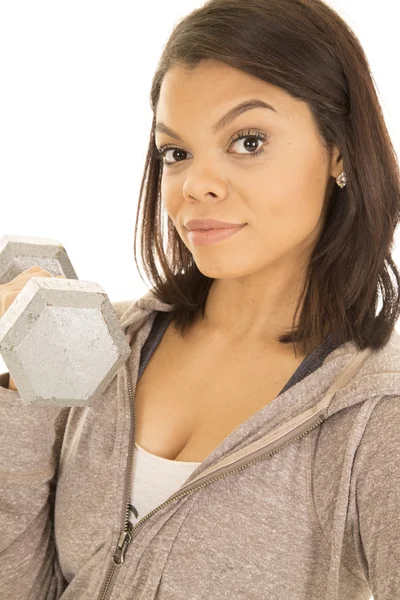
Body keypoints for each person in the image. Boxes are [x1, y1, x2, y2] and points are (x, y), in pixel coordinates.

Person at [1, 0, 400, 598]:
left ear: (339, 151)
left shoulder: (375, 412)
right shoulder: (104, 344)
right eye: (175, 152)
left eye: (247, 141)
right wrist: (19, 385)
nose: (195, 185)